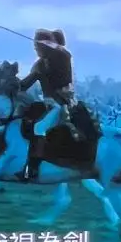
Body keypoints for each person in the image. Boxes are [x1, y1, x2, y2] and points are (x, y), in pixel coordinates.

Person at [19, 29, 77, 181]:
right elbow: (25, 84)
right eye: (35, 47)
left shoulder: (62, 57)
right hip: (47, 103)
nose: (36, 50)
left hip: (61, 104)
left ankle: (32, 169)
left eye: (37, 46)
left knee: (40, 128)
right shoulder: (40, 64)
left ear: (46, 45)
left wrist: (53, 50)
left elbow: (63, 80)